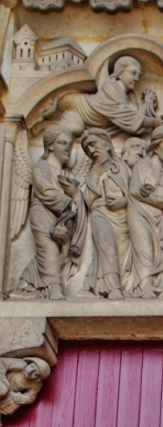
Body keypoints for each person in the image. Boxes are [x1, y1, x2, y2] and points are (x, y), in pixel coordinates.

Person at [18, 125, 86, 301]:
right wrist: (68, 201)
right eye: (62, 143)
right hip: (42, 213)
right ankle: (54, 288)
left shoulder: (65, 173)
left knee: (61, 253)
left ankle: (27, 283)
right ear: (49, 146)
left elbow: (77, 199)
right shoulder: (40, 168)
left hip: (62, 218)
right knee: (47, 247)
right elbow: (45, 190)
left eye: (70, 144)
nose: (67, 148)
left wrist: (75, 195)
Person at [52, 56, 163, 138]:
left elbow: (133, 122)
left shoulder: (129, 97)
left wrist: (148, 104)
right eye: (133, 73)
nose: (136, 78)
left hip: (92, 120)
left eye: (138, 75)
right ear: (120, 72)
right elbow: (126, 115)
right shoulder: (109, 87)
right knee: (76, 129)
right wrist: (153, 122)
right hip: (75, 106)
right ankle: (44, 127)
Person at [127, 124, 163, 298]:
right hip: (141, 213)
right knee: (145, 248)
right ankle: (145, 286)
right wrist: (155, 200)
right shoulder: (143, 165)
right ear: (157, 145)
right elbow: (134, 191)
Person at [80, 128, 131, 299]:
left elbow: (134, 196)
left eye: (93, 145)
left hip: (124, 219)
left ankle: (95, 285)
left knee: (120, 254)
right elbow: (88, 200)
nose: (92, 150)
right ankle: (113, 288)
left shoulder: (122, 168)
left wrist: (123, 202)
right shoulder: (93, 172)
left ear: (107, 145)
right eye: (87, 149)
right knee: (106, 247)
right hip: (100, 213)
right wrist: (95, 173)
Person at [0, 358, 52, 422]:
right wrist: (2, 378)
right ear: (29, 363)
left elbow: (31, 397)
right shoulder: (20, 364)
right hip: (2, 381)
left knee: (17, 399)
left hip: (9, 393)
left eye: (35, 374)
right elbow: (1, 362)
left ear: (37, 378)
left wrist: (24, 399)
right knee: (3, 390)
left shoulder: (36, 384)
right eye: (31, 366)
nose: (30, 371)